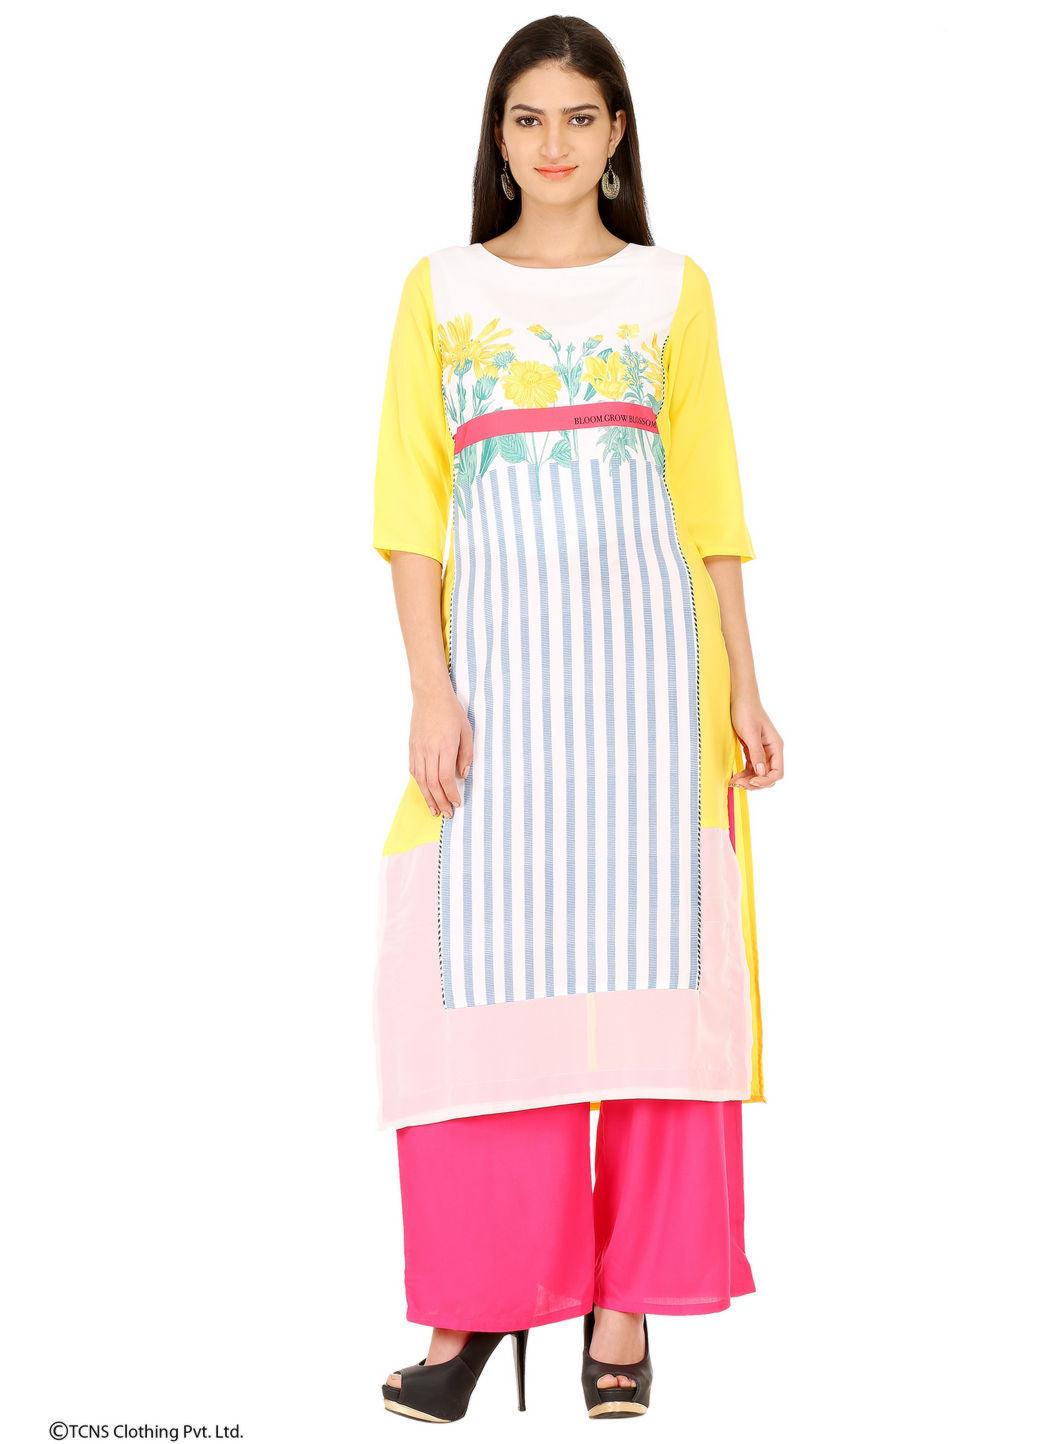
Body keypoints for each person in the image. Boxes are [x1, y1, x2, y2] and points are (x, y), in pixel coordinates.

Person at [371, 15, 783, 1423]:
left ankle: (627, 1300)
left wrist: (746, 679)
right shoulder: (441, 290)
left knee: (664, 989)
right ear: (499, 137)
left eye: (581, 117)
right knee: (471, 983)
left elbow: (711, 500)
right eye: (528, 117)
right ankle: (480, 1304)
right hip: (496, 692)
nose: (554, 143)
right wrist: (430, 687)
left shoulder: (671, 289)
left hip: (655, 690)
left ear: (617, 136)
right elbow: (409, 506)